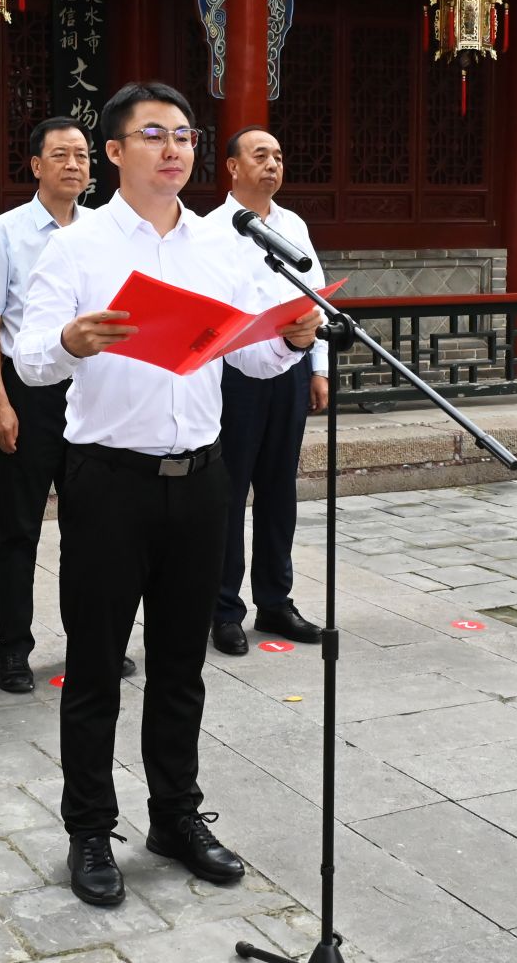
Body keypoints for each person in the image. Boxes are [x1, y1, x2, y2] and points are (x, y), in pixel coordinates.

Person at [15, 81, 321, 908]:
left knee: (182, 664)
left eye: (184, 134)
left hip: (202, 480)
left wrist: (291, 339)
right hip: (109, 481)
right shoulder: (78, 246)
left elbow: (247, 355)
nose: (174, 148)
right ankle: (89, 829)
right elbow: (30, 358)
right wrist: (71, 339)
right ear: (115, 152)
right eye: (154, 134)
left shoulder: (220, 244)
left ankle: (175, 816)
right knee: (95, 668)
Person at [0, 116, 97, 693]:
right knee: (19, 530)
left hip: (90, 395)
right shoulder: (5, 232)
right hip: (28, 393)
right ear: (37, 165)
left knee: (89, 531)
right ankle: (13, 650)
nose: (73, 164)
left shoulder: (100, 231)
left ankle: (89, 645)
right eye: (61, 154)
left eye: (82, 155)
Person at [210, 127, 327, 656]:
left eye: (278, 155)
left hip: (291, 368)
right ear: (233, 167)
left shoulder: (292, 225)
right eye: (260, 156)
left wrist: (318, 368)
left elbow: (315, 298)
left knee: (280, 490)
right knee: (229, 493)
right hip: (233, 376)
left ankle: (275, 601)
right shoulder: (210, 232)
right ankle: (223, 608)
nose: (273, 164)